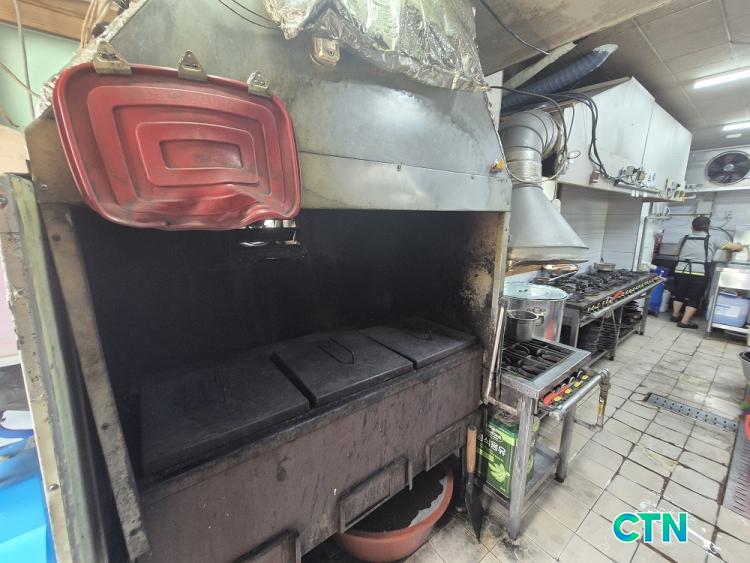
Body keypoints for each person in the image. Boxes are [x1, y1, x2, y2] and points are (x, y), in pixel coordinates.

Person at [671, 216, 743, 328]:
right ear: (707, 228)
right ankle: (684, 322)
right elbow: (736, 248)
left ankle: (675, 315)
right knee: (695, 297)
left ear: (692, 227)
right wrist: (740, 245)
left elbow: (675, 253)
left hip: (680, 270)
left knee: (679, 293)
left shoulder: (684, 238)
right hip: (699, 273)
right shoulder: (713, 239)